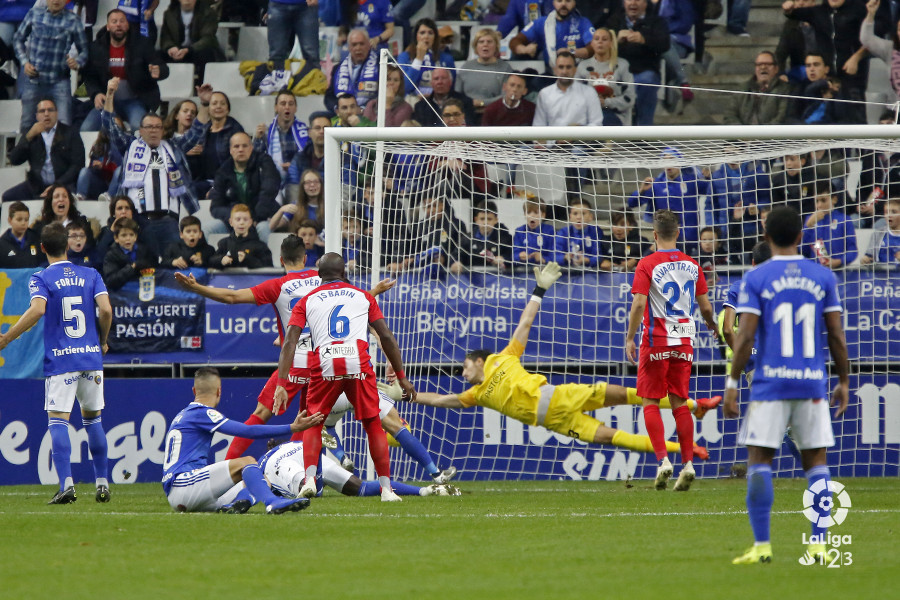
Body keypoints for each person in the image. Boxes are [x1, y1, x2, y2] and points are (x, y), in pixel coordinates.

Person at [405, 262, 718, 456]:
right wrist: (410, 395)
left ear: (477, 359)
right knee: (615, 438)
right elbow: (439, 400)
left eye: (464, 366)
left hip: (558, 396)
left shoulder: (504, 356)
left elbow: (525, 323)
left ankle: (694, 405)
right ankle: (686, 448)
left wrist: (539, 290)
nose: (462, 373)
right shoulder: (474, 395)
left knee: (628, 396)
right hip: (556, 422)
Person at [175, 235, 395, 459]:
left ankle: (230, 464)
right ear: (306, 258)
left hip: (294, 361)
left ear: (281, 260)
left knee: (262, 413)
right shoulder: (324, 279)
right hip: (323, 363)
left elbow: (232, 297)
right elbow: (352, 307)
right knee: (309, 418)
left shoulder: (278, 286)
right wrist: (374, 293)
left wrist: (197, 288)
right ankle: (300, 469)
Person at [724, 205, 850, 565]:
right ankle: (819, 546)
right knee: (816, 464)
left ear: (765, 236)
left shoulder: (755, 278)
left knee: (759, 461)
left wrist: (733, 382)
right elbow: (836, 336)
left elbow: (744, 335)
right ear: (801, 236)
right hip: (811, 385)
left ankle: (762, 546)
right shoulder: (823, 277)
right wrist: (843, 380)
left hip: (769, 385)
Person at [274, 253, 417, 502]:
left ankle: (308, 480)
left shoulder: (307, 300)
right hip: (358, 363)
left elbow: (290, 342)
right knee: (373, 423)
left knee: (313, 421)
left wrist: (281, 383)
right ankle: (386, 489)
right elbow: (386, 336)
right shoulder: (363, 296)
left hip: (324, 364)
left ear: (319, 275)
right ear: (343, 273)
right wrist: (402, 376)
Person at [0, 223, 112, 505]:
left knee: (59, 420)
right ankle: (102, 484)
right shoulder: (91, 273)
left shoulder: (41, 277)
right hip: (90, 356)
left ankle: (67, 485)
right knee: (93, 419)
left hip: (62, 359)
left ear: (43, 248)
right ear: (67, 245)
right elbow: (107, 309)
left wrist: (8, 338)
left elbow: (38, 309)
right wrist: (103, 339)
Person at [625, 210, 718, 491]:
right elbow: (705, 307)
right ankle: (688, 464)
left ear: (654, 234)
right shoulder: (692, 264)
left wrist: (630, 337)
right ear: (678, 233)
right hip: (685, 339)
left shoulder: (647, 263)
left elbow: (640, 304)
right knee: (679, 401)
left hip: (657, 339)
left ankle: (664, 461)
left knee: (650, 401)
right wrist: (713, 325)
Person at [161, 366, 324, 514]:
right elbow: (247, 430)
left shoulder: (184, 414)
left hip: (184, 492)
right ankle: (273, 502)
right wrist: (292, 428)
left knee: (261, 479)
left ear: (194, 390)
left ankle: (237, 504)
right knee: (246, 462)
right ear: (219, 391)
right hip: (184, 485)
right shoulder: (201, 412)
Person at [103, 78, 211, 258]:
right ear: (141, 130)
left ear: (162, 130)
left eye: (157, 127)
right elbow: (109, 126)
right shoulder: (129, 146)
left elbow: (196, 132)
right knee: (146, 267)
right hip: (138, 220)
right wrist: (110, 95)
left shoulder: (173, 147)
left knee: (175, 265)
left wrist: (205, 104)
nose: (153, 131)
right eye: (149, 127)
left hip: (168, 220)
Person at [255, 439, 459, 502]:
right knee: (360, 487)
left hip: (279, 464)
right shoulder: (293, 441)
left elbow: (259, 483)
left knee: (307, 492)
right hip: (304, 448)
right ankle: (423, 490)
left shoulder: (263, 459)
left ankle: (314, 470)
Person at [82, 9, 169, 132]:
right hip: (107, 101)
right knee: (86, 128)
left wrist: (159, 71)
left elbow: (163, 68)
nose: (118, 24)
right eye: (114, 21)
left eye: (122, 21)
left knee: (139, 128)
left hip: (135, 100)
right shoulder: (96, 48)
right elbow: (89, 77)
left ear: (127, 25)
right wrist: (95, 94)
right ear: (108, 26)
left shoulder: (142, 44)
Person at [12, 0, 88, 132]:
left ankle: (62, 152)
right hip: (33, 80)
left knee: (64, 124)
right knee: (27, 124)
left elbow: (85, 50)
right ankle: (27, 152)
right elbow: (18, 39)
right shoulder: (34, 14)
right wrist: (24, 62)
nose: (56, 1)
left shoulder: (73, 20)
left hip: (60, 81)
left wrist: (77, 62)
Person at [2, 98, 85, 203]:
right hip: (36, 185)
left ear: (57, 113)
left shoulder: (70, 133)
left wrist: (57, 185)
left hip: (64, 184)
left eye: (50, 110)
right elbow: (14, 159)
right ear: (37, 116)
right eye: (42, 111)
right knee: (8, 197)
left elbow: (77, 165)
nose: (46, 114)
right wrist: (28, 137)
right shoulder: (31, 133)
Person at [207, 132, 281, 241]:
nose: (240, 149)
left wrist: (254, 217)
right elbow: (215, 207)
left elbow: (269, 190)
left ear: (251, 148)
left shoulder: (264, 161)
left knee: (263, 228)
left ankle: (264, 258)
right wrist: (237, 217)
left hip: (262, 218)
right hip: (235, 221)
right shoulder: (223, 171)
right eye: (236, 146)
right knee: (206, 228)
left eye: (245, 146)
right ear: (230, 150)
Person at [607, 0, 670, 126]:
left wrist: (644, 40)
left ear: (646, 3)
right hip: (617, 74)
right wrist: (615, 40)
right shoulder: (613, 20)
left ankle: (644, 133)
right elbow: (600, 47)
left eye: (638, 0)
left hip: (645, 71)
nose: (633, 3)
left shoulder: (657, 21)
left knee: (647, 81)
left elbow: (665, 45)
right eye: (629, 0)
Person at [508, 0, 594, 71]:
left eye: (568, 1)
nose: (563, 4)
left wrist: (572, 52)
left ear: (574, 2)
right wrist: (525, 49)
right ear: (553, 3)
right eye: (559, 1)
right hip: (550, 72)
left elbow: (593, 47)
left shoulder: (583, 23)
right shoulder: (542, 23)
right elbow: (515, 42)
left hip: (576, 71)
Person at [576, 27, 635, 126]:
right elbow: (574, 95)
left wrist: (606, 103)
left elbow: (629, 98)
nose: (600, 42)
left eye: (604, 39)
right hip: (588, 114)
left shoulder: (622, 65)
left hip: (615, 115)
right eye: (597, 39)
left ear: (611, 43)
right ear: (592, 43)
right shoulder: (583, 66)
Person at [194, 91, 245, 198]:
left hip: (228, 182)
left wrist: (216, 186)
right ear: (209, 108)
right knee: (184, 192)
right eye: (214, 103)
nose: (218, 106)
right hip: (205, 181)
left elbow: (238, 164)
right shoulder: (204, 130)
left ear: (228, 109)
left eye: (222, 103)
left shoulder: (235, 130)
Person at [533, 51, 603, 127]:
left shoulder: (589, 92)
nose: (564, 71)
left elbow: (597, 124)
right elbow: (538, 126)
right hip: (553, 138)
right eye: (561, 67)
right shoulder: (544, 94)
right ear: (555, 70)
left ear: (575, 70)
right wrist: (556, 139)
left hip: (581, 138)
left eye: (568, 67)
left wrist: (576, 133)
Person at [160, 0, 224, 83]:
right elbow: (165, 37)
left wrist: (189, 49)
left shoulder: (208, 13)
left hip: (198, 50)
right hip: (178, 50)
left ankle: (202, 86)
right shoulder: (169, 14)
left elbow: (208, 38)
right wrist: (170, 47)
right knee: (157, 57)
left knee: (206, 54)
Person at [252, 91, 309, 182]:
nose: (287, 107)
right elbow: (255, 159)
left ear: (295, 108)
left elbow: (312, 160)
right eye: (283, 104)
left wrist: (295, 166)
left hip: (298, 180)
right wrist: (258, 139)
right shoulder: (267, 132)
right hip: (273, 181)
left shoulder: (305, 132)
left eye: (291, 104)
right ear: (276, 108)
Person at [801, 180, 857, 269]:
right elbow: (802, 251)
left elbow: (853, 250)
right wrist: (808, 227)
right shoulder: (809, 220)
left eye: (823, 200)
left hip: (839, 272)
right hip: (815, 271)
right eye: (816, 201)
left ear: (834, 199)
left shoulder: (844, 220)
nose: (819, 205)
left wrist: (839, 261)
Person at [724, 51, 791, 125]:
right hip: (742, 135)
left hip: (771, 135)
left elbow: (782, 117)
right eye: (759, 64)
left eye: (768, 64)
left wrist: (761, 134)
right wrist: (743, 133)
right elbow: (730, 115)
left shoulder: (784, 90)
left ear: (776, 69)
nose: (763, 67)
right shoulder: (742, 88)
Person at [456, 29, 513, 115]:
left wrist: (482, 103)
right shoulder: (466, 67)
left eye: (489, 42)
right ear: (476, 46)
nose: (485, 45)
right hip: (468, 113)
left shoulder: (505, 68)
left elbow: (506, 96)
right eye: (481, 42)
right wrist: (471, 103)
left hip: (495, 113)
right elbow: (457, 95)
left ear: (496, 46)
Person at [450, 200, 514, 275]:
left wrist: (504, 259)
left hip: (498, 281)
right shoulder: (467, 239)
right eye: (482, 219)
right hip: (471, 281)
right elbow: (455, 255)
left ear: (496, 220)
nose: (485, 223)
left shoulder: (505, 238)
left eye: (489, 219)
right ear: (476, 220)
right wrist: (456, 262)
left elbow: (513, 256)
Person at [397, 18, 455, 96]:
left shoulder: (447, 58)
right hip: (412, 100)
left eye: (430, 33)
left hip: (438, 101)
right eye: (422, 33)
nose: (426, 36)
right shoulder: (404, 57)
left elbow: (451, 87)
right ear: (416, 36)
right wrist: (418, 59)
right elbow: (405, 87)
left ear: (435, 37)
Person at [328, 28, 380, 112]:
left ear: (368, 45)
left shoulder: (380, 66)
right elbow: (329, 97)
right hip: (343, 113)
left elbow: (384, 95)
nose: (358, 48)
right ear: (349, 47)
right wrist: (338, 108)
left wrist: (364, 109)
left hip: (370, 113)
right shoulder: (337, 68)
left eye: (361, 44)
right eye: (354, 44)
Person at [209, 204, 273, 269]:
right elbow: (211, 261)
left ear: (250, 222)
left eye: (245, 219)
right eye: (238, 219)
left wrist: (247, 259)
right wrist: (221, 260)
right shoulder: (224, 243)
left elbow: (268, 266)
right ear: (231, 222)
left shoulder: (260, 246)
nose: (241, 223)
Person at [30, 185, 95, 249]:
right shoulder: (40, 227)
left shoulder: (82, 223)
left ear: (70, 202)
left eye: (65, 196)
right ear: (50, 202)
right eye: (56, 196)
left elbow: (90, 247)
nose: (61, 199)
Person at [102, 217, 159, 290]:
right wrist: (132, 267)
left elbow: (154, 265)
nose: (128, 238)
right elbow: (111, 281)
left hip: (143, 287)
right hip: (123, 293)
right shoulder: (110, 256)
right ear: (116, 238)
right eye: (124, 235)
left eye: (131, 235)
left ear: (135, 237)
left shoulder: (144, 249)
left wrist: (145, 264)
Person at [267, 0, 320, 70]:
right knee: (276, 56)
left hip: (307, 6)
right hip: (277, 4)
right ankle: (275, 79)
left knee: (312, 56)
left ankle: (314, 80)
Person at [555, 198, 606, 269]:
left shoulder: (596, 231)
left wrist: (588, 260)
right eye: (575, 214)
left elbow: (600, 255)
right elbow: (555, 256)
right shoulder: (563, 232)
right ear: (570, 217)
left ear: (591, 217)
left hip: (591, 273)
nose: (578, 217)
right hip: (567, 273)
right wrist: (565, 257)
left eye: (583, 213)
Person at [285, 112, 330, 186]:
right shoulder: (298, 159)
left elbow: (346, 189)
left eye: (326, 128)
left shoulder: (342, 159)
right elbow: (292, 188)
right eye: (317, 128)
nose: (322, 131)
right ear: (309, 132)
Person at [0, 201, 45, 268]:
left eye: (26, 220)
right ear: (10, 220)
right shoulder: (2, 244)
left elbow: (43, 262)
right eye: (19, 219)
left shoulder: (36, 239)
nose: (23, 223)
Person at [513, 199, 556, 266]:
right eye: (529, 212)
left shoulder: (549, 231)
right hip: (524, 271)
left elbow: (555, 255)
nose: (532, 216)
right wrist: (519, 256)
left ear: (543, 215)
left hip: (544, 270)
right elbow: (513, 255)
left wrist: (543, 259)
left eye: (536, 213)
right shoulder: (519, 231)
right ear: (524, 214)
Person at [861, 197, 900, 265]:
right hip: (880, 274)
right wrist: (865, 260)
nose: (889, 215)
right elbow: (869, 256)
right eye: (886, 212)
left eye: (893, 212)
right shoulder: (878, 233)